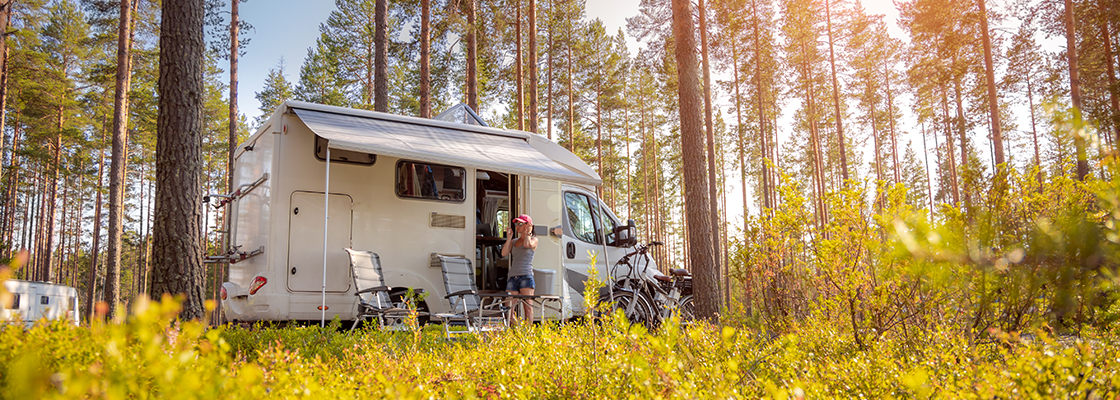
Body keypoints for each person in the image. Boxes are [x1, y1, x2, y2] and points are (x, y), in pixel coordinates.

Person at [502, 214, 537, 324]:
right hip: (513, 277)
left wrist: (528, 233)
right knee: (509, 310)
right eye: (517, 224)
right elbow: (504, 253)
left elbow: (527, 245)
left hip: (526, 276)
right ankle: (519, 332)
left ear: (528, 225)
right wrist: (509, 238)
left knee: (528, 307)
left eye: (521, 224)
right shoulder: (514, 241)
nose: (518, 226)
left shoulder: (534, 240)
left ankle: (528, 335)